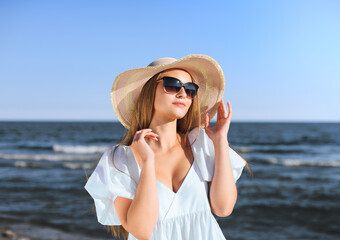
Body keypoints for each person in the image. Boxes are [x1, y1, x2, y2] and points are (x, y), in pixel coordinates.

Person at [84, 54, 251, 240]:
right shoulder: (120, 159)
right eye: (172, 85)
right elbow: (142, 231)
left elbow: (223, 208)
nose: (182, 94)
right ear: (148, 91)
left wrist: (220, 141)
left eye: (190, 89)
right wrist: (147, 162)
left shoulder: (200, 144)